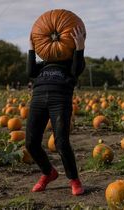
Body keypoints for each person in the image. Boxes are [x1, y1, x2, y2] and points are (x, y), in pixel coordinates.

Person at [26, 26, 86, 195]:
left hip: (60, 101)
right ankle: (48, 172)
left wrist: (80, 48)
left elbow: (77, 70)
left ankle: (74, 179)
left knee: (61, 142)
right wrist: (32, 48)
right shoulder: (43, 64)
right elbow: (30, 72)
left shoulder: (70, 62)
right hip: (38, 100)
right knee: (31, 143)